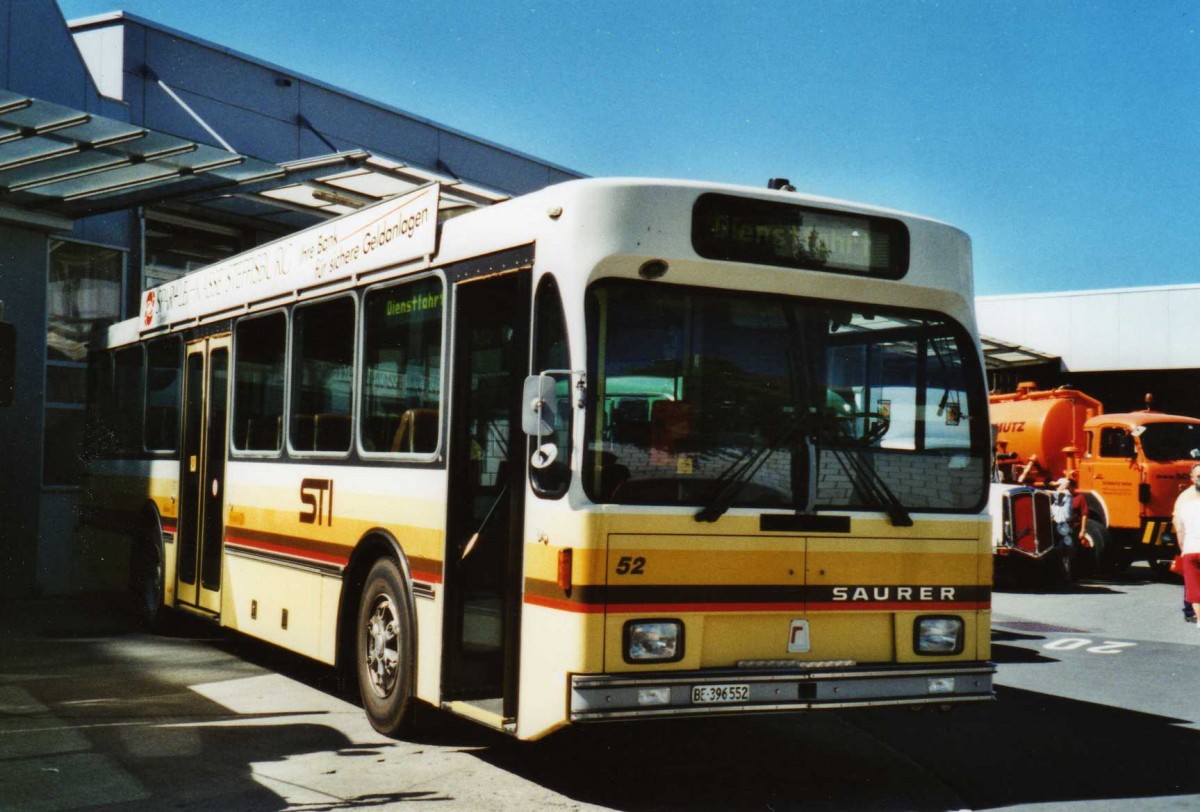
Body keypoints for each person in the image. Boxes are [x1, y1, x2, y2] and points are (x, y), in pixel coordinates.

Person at [1171, 463, 1200, 628]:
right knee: (1192, 580)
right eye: (1198, 476)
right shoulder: (1186, 497)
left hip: (1191, 544)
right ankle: (1190, 612)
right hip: (1191, 542)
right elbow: (1177, 521)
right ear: (1191, 478)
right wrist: (1182, 544)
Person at [1049, 476, 1087, 551]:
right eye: (1068, 487)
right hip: (1060, 527)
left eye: (1071, 486)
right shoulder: (1061, 496)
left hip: (1073, 528)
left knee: (1070, 548)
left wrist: (1083, 530)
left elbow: (1084, 514)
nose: (1069, 488)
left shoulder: (1080, 498)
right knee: (1059, 547)